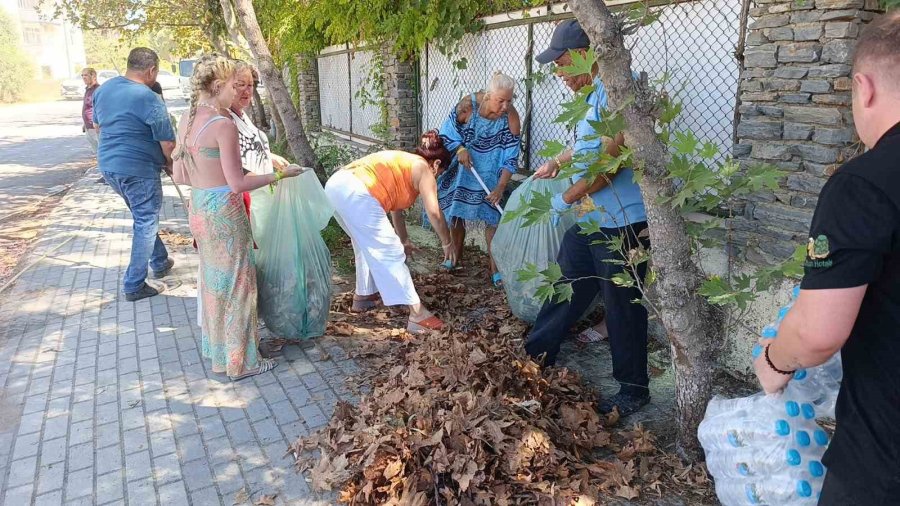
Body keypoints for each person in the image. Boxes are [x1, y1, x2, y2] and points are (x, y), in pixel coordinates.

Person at [754, 12, 900, 504]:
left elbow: (818, 333)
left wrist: (776, 361)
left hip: (884, 460)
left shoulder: (865, 182)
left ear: (865, 87)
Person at [524, 20, 651, 417]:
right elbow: (583, 145)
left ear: (586, 54)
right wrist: (556, 162)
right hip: (596, 218)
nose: (559, 74)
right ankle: (536, 353)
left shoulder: (616, 92)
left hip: (625, 223)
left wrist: (565, 198)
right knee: (568, 280)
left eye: (562, 63)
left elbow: (608, 164)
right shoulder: (589, 94)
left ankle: (633, 389)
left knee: (623, 306)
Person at [172, 54, 302, 381]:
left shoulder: (187, 117)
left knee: (215, 284)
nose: (239, 91)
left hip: (199, 207)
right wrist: (281, 176)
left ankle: (220, 357)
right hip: (224, 211)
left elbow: (181, 174)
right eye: (234, 85)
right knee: (239, 286)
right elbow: (238, 183)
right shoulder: (223, 125)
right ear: (218, 86)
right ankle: (242, 362)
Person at [324, 132, 457, 333]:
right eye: (440, 172)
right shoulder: (424, 169)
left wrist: (404, 239)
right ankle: (417, 314)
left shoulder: (406, 164)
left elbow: (396, 208)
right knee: (390, 251)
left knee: (363, 244)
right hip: (356, 190)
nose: (436, 177)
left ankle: (364, 296)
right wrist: (447, 242)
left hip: (336, 185)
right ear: (436, 164)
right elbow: (434, 212)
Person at [93, 48, 177, 302]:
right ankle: (134, 284)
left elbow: (98, 126)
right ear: (151, 70)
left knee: (143, 216)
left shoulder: (104, 90)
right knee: (145, 220)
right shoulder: (149, 97)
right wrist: (170, 164)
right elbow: (168, 144)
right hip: (138, 169)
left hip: (109, 166)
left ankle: (160, 261)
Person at [437, 72, 520, 286]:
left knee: (493, 219)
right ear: (488, 95)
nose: (505, 106)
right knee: (457, 214)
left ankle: (496, 270)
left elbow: (511, 156)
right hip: (466, 166)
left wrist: (501, 186)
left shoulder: (511, 117)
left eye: (509, 100)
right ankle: (454, 259)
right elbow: (447, 131)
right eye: (501, 100)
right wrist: (459, 148)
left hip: (492, 171)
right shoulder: (468, 105)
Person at [81, 68, 100, 154]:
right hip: (88, 126)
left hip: (96, 127)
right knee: (96, 152)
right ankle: (100, 166)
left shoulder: (98, 90)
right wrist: (85, 124)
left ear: (93, 76)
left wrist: (98, 123)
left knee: (102, 151)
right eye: (82, 75)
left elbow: (100, 107)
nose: (84, 77)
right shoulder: (88, 90)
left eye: (86, 75)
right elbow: (87, 108)